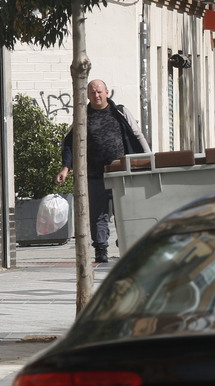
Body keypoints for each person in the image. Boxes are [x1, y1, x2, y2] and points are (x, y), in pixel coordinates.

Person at [56, 79, 150, 263]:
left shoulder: (120, 112)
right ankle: (101, 249)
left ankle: (126, 243)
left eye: (99, 91)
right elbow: (69, 142)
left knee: (126, 211)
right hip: (94, 174)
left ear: (107, 92)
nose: (96, 95)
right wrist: (66, 167)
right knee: (98, 214)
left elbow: (137, 135)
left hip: (121, 172)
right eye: (92, 93)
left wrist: (148, 159)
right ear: (88, 95)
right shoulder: (83, 116)